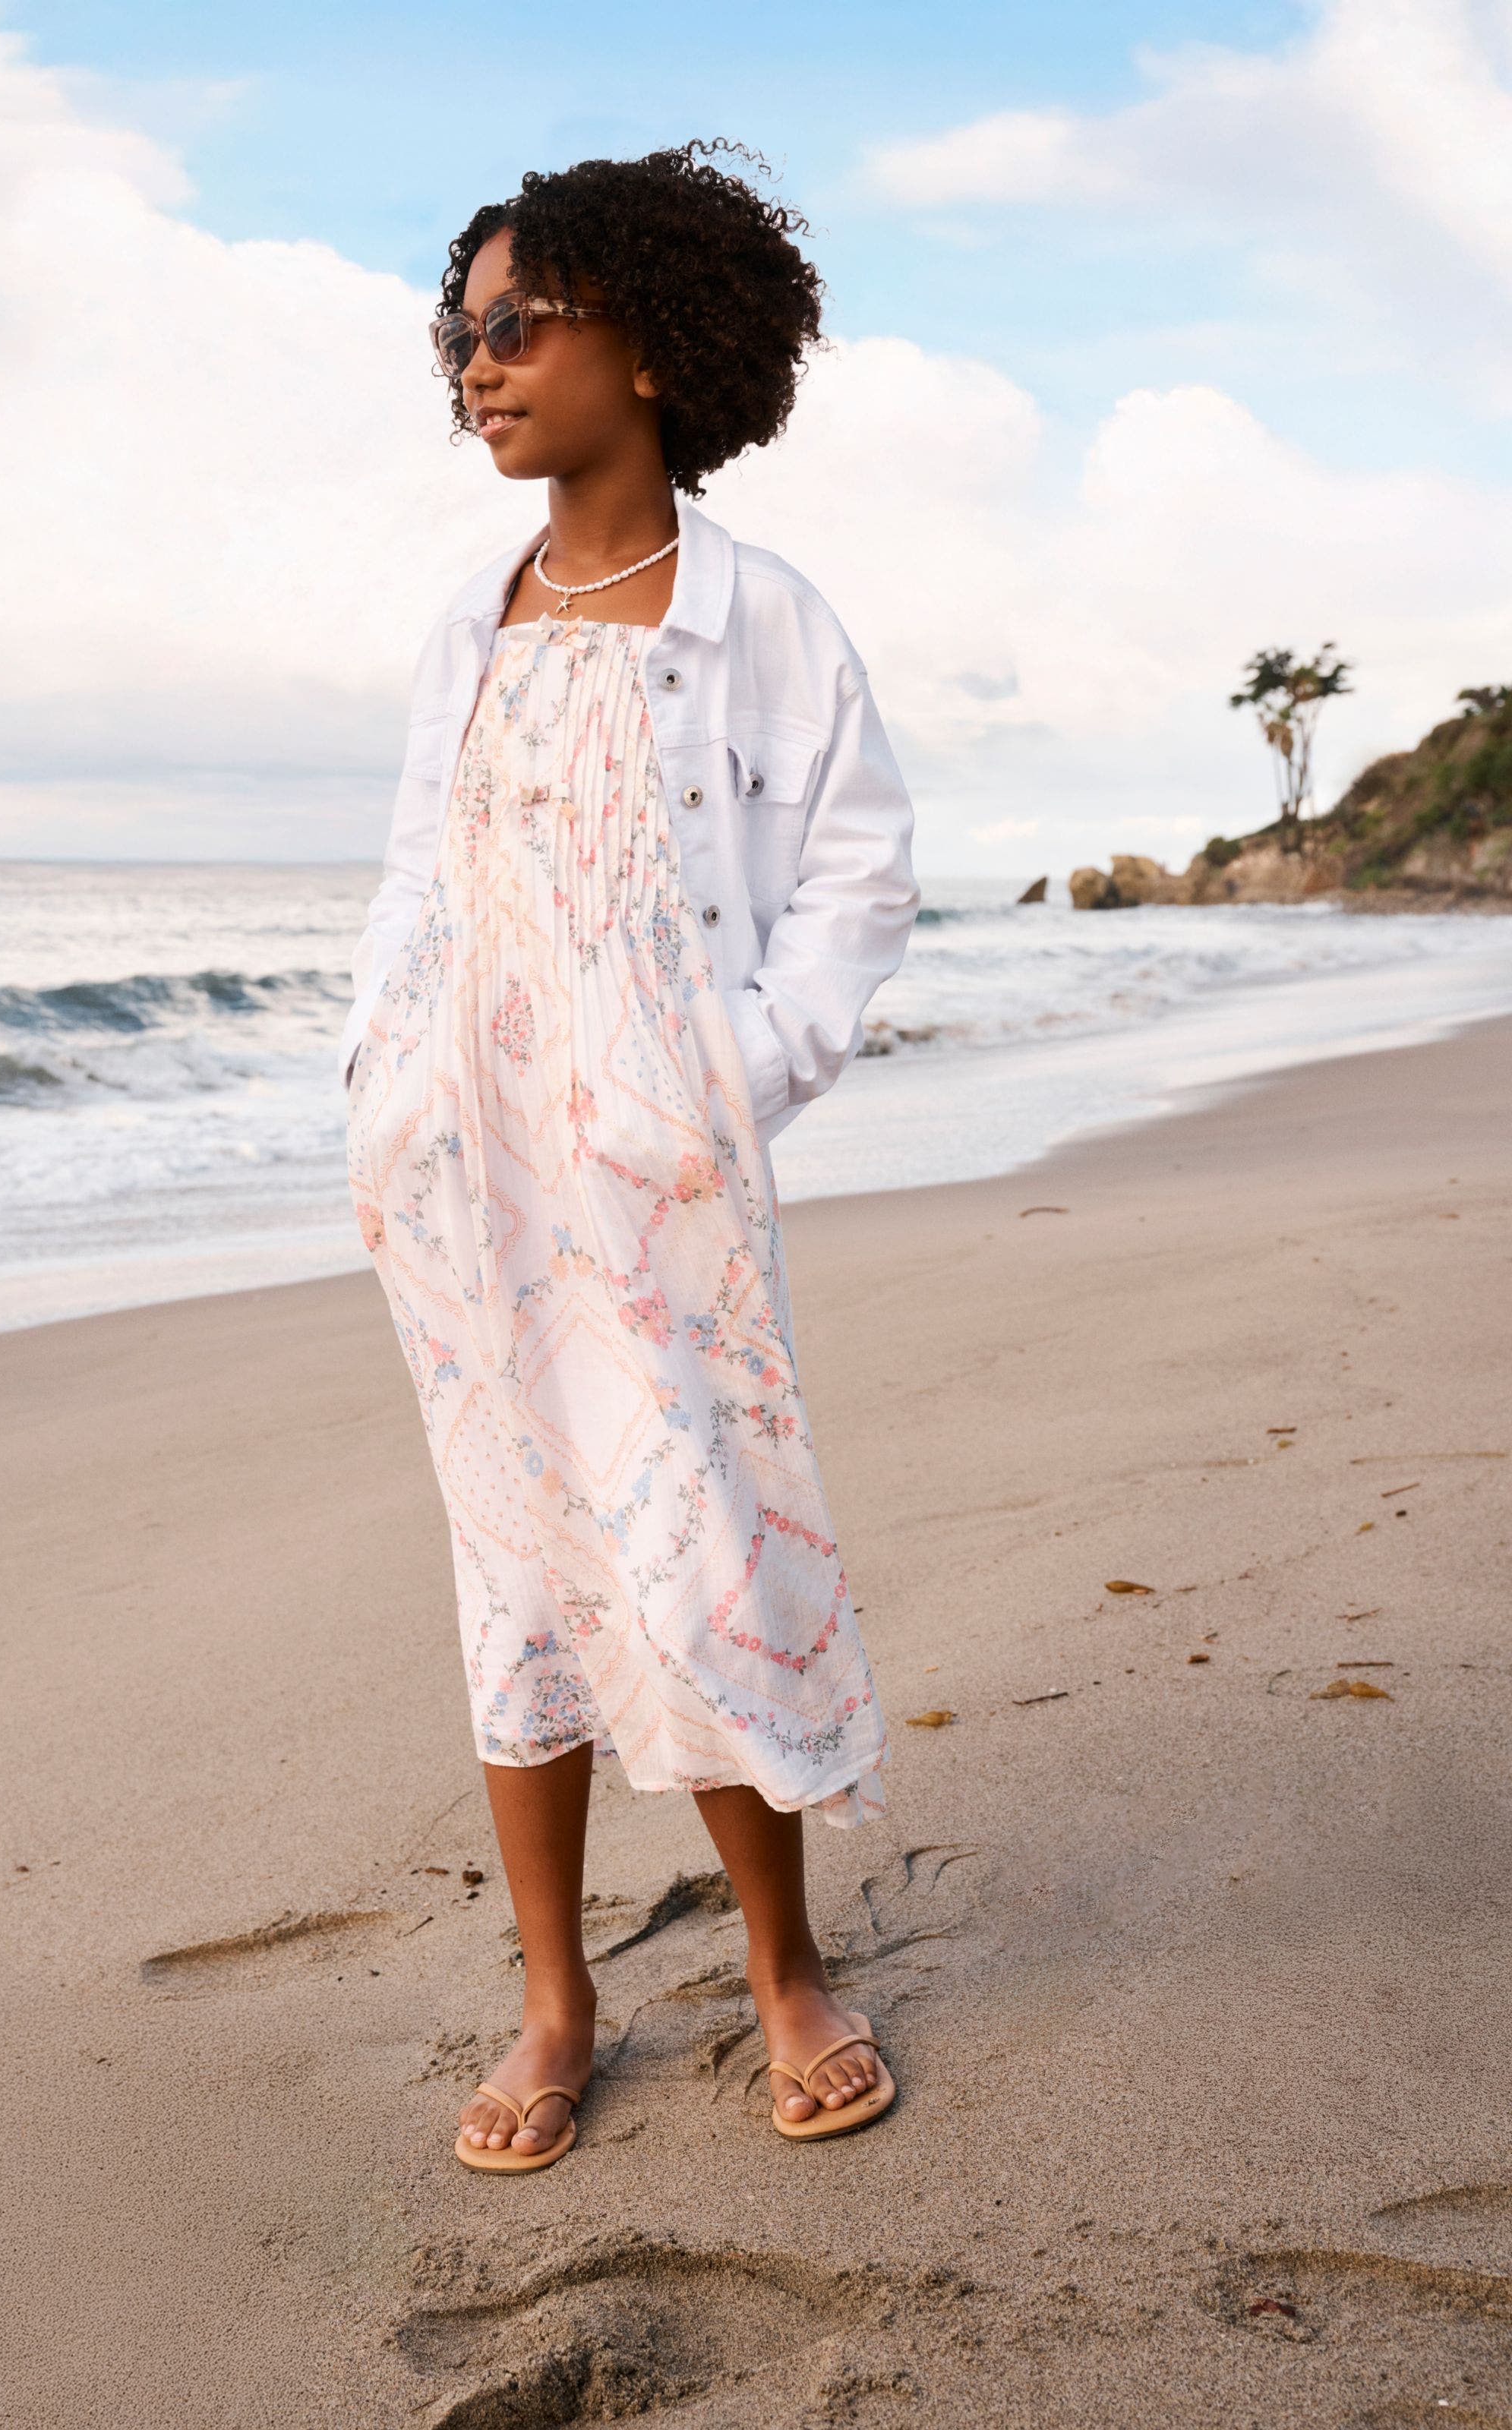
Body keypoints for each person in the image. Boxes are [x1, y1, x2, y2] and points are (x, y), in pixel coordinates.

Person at [339, 141, 920, 2173]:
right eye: (460, 334)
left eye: (518, 324)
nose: (477, 365)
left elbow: (858, 877)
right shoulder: (473, 617)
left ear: (654, 345)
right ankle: (554, 2000)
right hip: (469, 1174)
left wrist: (729, 1079)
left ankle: (785, 1970)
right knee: (518, 1567)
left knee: (701, 1532)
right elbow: (420, 875)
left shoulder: (762, 620)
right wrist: (382, 1084)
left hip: (657, 1171)